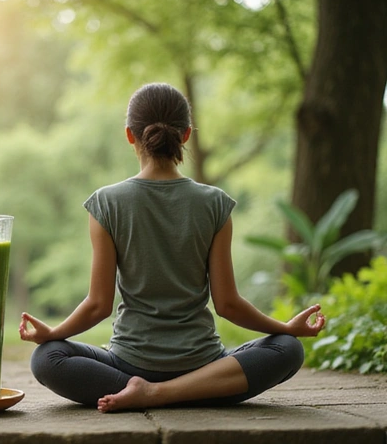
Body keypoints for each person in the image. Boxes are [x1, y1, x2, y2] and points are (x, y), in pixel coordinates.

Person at [18, 82, 326, 412]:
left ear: (129, 135)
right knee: (287, 349)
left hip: (128, 366)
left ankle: (146, 393)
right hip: (204, 367)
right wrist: (285, 328)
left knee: (47, 358)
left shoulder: (106, 203)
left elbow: (98, 305)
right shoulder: (215, 203)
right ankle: (188, 391)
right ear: (187, 134)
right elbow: (228, 305)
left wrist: (53, 332)